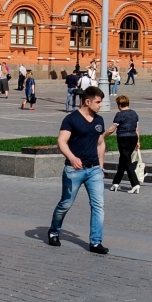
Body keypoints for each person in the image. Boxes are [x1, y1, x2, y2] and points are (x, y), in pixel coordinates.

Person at [47, 86, 109, 253]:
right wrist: (72, 158)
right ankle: (54, 231)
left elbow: (100, 143)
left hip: (94, 169)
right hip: (74, 170)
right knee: (66, 204)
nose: (100, 105)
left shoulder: (99, 120)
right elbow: (62, 141)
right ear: (87, 102)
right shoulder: (71, 119)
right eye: (98, 102)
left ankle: (95, 242)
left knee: (98, 205)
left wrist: (101, 167)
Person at [109, 95, 142, 193]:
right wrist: (138, 141)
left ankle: (135, 184)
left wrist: (102, 136)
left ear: (119, 105)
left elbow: (112, 129)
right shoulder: (134, 113)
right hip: (133, 138)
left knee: (126, 161)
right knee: (123, 159)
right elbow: (137, 129)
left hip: (123, 139)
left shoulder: (120, 114)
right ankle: (115, 183)